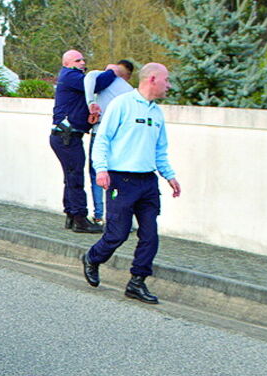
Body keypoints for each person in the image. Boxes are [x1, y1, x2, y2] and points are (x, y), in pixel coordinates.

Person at [80, 63, 181, 305]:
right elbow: (102, 139)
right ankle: (93, 258)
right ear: (153, 79)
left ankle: (137, 282)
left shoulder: (156, 113)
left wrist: (170, 176)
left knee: (150, 235)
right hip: (121, 180)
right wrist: (101, 170)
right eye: (166, 81)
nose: (169, 85)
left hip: (147, 181)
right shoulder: (122, 105)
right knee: (118, 233)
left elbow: (160, 150)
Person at [49, 50, 116, 233]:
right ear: (67, 63)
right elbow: (99, 83)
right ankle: (80, 219)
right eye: (77, 60)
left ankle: (71, 215)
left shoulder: (72, 77)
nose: (82, 62)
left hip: (65, 136)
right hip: (67, 137)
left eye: (83, 60)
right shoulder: (71, 76)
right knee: (75, 177)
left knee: (71, 176)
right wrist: (111, 71)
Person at [84, 60, 135, 222]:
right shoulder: (129, 91)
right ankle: (119, 217)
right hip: (120, 137)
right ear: (128, 75)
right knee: (119, 176)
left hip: (100, 134)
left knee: (96, 174)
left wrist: (90, 102)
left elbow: (89, 77)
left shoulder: (100, 78)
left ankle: (99, 215)